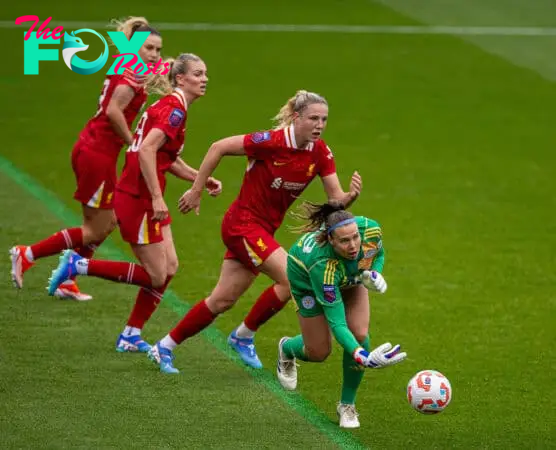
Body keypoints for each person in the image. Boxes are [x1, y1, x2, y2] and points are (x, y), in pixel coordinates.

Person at [146, 90, 363, 373]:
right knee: (293, 277)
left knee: (222, 300)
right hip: (242, 225)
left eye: (324, 119)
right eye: (313, 118)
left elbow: (334, 199)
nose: (319, 125)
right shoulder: (271, 142)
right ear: (297, 117)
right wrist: (196, 189)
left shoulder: (320, 152)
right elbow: (218, 147)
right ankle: (245, 335)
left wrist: (349, 198)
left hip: (262, 232)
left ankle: (164, 346)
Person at [47, 53, 223, 353]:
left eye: (205, 73)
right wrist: (156, 198)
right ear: (180, 78)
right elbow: (145, 152)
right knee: (155, 275)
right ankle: (79, 264)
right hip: (138, 200)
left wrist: (198, 179)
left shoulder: (172, 106)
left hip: (143, 196)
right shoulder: (174, 111)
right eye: (197, 73)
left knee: (170, 268)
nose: (204, 79)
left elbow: (164, 156)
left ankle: (130, 335)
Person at [10, 17, 162, 301]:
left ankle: (68, 279)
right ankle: (27, 254)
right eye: (148, 48)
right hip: (97, 154)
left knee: (108, 221)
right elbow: (114, 111)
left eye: (157, 49)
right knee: (95, 229)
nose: (154, 54)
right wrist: (133, 144)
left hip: (94, 149)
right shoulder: (131, 74)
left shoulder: (129, 67)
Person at [276, 201, 406, 428]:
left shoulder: (371, 230)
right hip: (306, 280)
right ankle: (287, 348)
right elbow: (337, 323)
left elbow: (379, 252)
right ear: (330, 240)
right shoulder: (322, 266)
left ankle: (347, 405)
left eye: (355, 236)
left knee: (360, 333)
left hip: (347, 274)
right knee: (319, 351)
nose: (353, 245)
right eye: (344, 241)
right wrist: (362, 356)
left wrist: (374, 273)